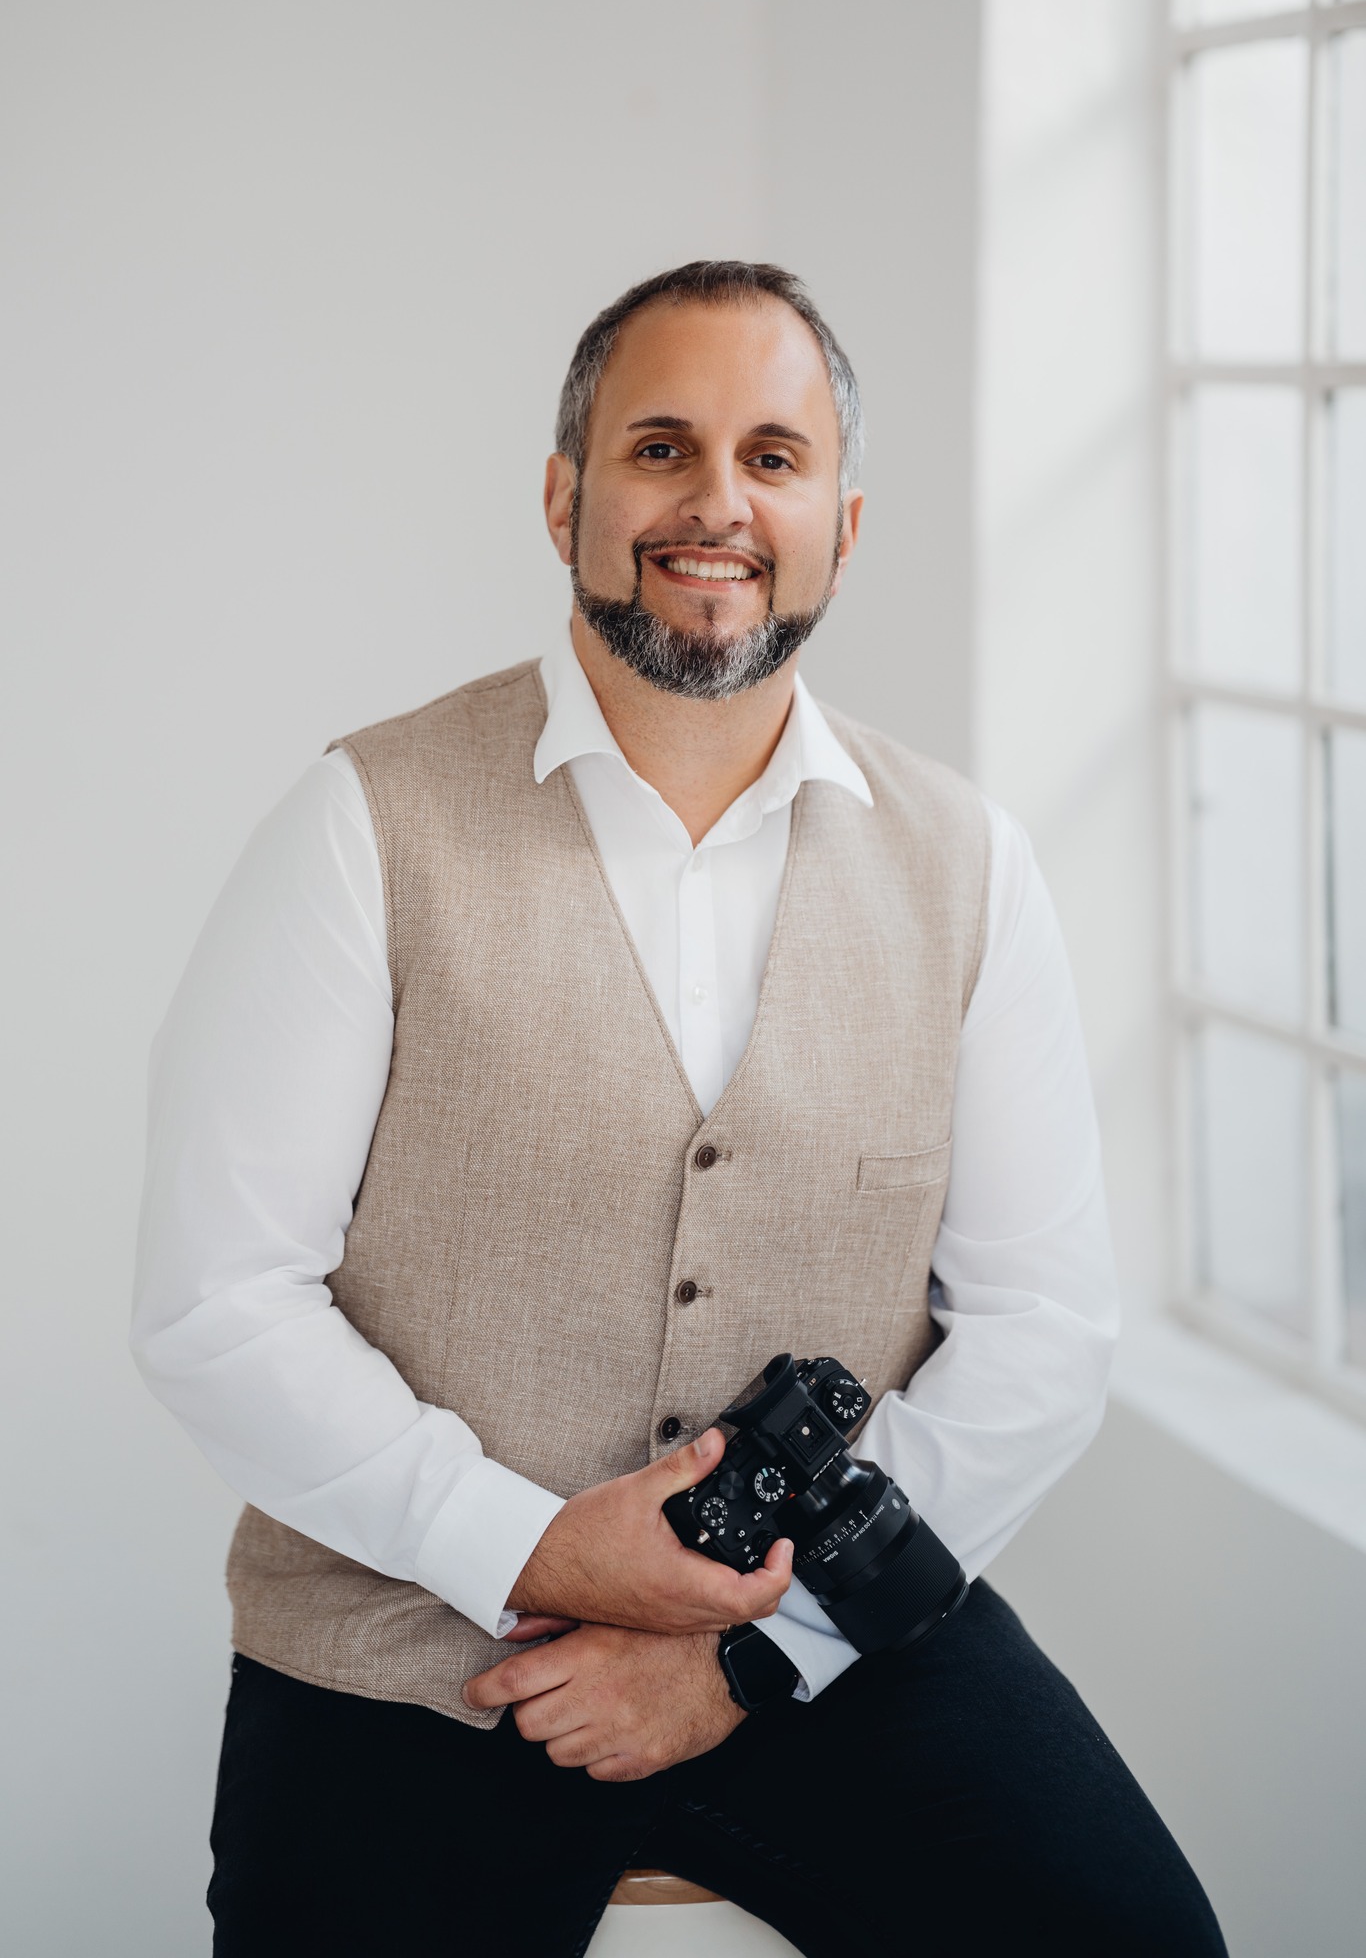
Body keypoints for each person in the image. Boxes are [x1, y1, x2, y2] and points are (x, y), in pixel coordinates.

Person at [132, 261, 1227, 1956]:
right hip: (412, 1654)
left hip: (826, 1639)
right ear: (567, 496)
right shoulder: (362, 823)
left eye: (772, 459)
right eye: (661, 449)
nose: (717, 502)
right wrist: (537, 1548)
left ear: (842, 527)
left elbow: (1040, 1325)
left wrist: (747, 1657)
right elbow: (219, 1303)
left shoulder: (969, 866)